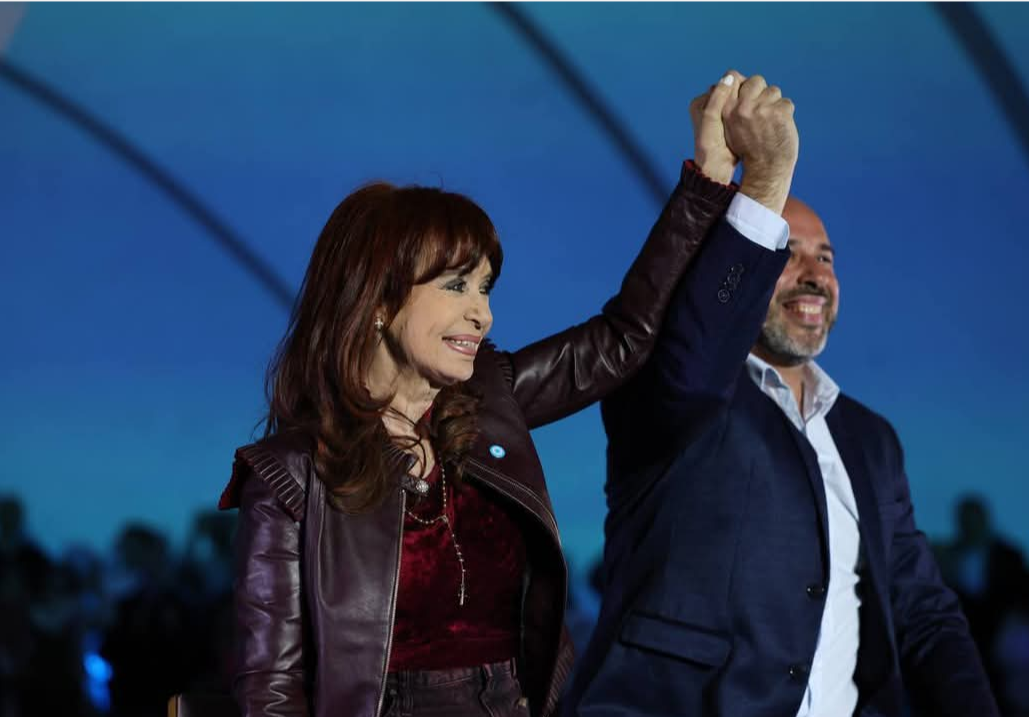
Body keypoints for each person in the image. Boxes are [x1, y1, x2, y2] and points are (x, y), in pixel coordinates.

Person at [217, 73, 791, 717]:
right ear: (377, 302)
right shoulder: (290, 476)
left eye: (485, 288)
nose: (482, 314)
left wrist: (709, 179)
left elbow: (623, 339)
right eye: (455, 286)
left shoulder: (490, 400)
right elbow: (270, 691)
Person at [564, 73, 999, 717]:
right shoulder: (673, 388)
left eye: (826, 258)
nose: (814, 274)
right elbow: (694, 356)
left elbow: (923, 611)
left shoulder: (869, 439)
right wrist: (765, 180)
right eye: (786, 253)